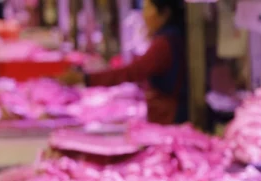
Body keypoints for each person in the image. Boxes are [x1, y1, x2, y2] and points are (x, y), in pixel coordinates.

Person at [58, 0, 186, 124]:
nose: (144, 14)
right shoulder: (168, 37)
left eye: (148, 8)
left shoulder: (164, 43)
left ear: (164, 13)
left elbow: (132, 71)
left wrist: (85, 79)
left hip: (171, 118)